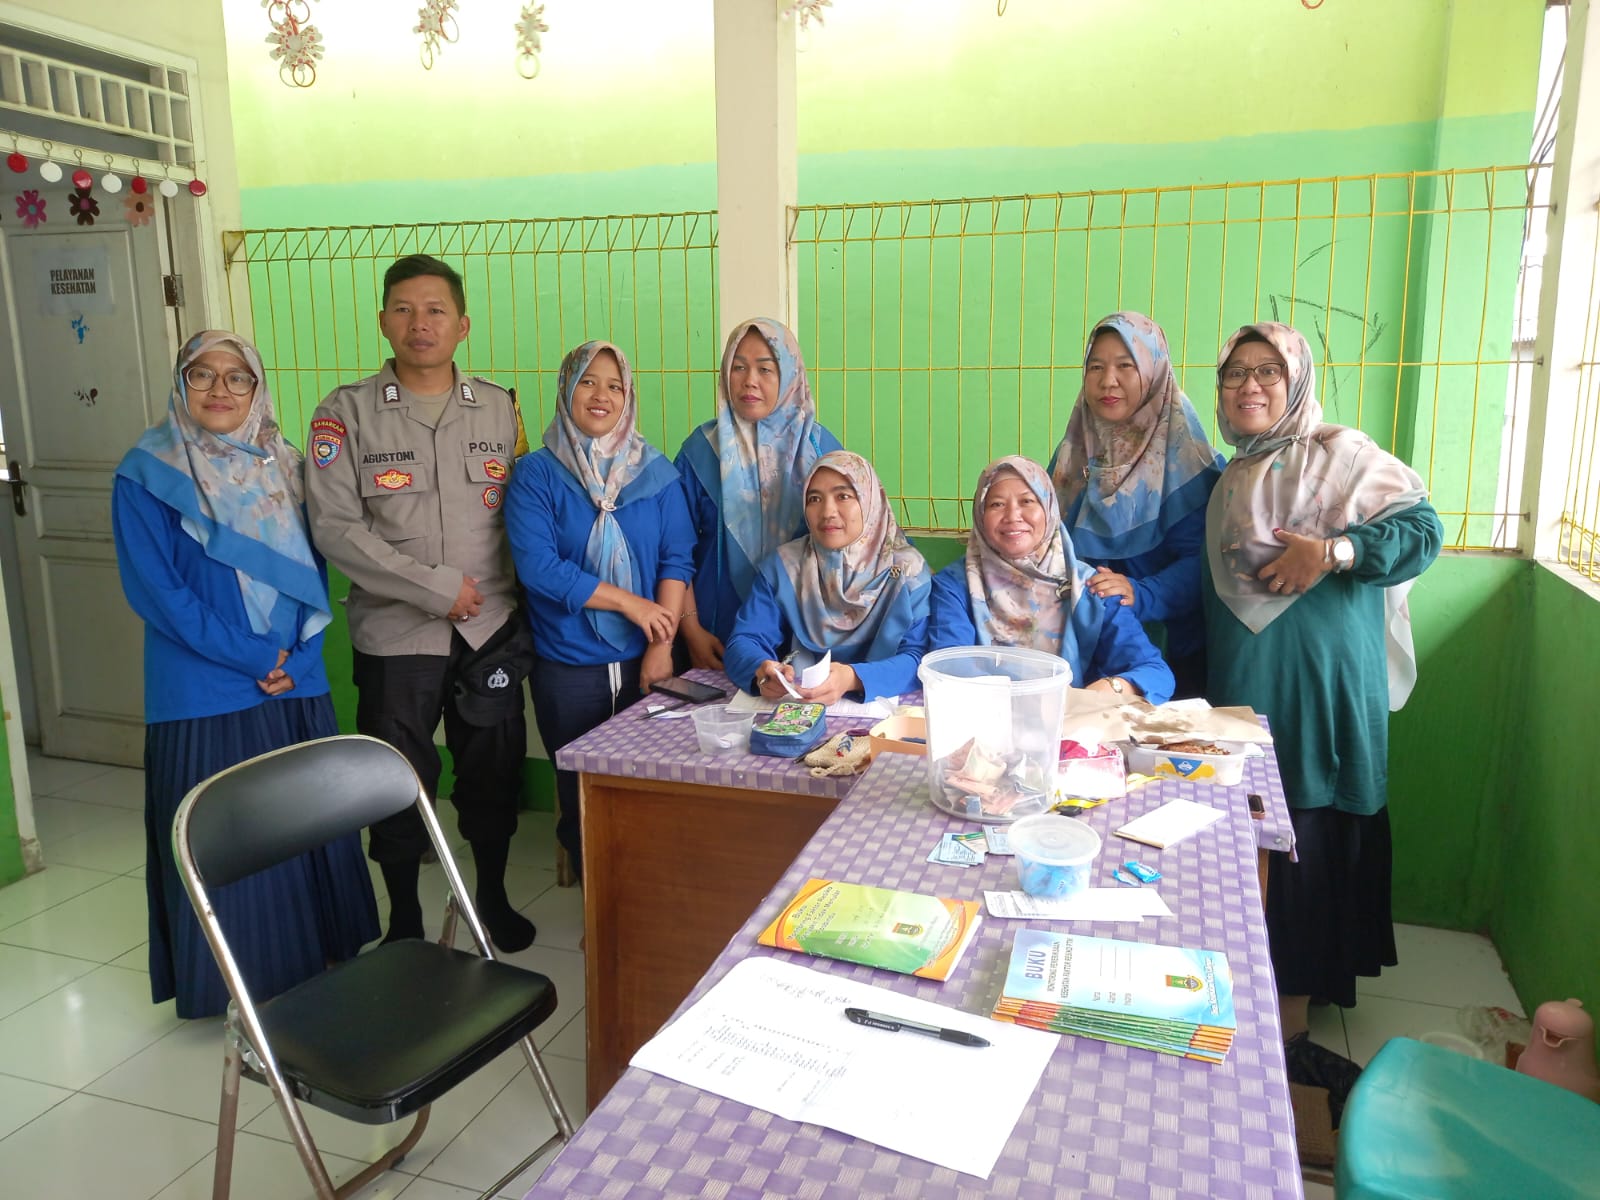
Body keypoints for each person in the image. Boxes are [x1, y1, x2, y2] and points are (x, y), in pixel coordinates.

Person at [1203, 321, 1442, 1120]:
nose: (1249, 386)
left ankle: (1292, 1026)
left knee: (1308, 827)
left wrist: (1333, 552)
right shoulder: (1232, 476)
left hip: (1323, 686)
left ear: (1298, 380)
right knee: (1258, 831)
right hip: (1248, 683)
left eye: (1269, 371)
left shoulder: (1342, 455)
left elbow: (1422, 531)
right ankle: (1257, 991)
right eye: (1235, 373)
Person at [113, 330, 379, 1019]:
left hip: (297, 679)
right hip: (203, 688)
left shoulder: (288, 467)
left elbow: (320, 575)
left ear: (257, 388)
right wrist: (256, 657)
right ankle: (239, 983)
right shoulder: (146, 473)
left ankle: (322, 954)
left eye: (237, 377)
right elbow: (158, 593)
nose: (220, 390)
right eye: (202, 374)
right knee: (224, 831)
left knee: (309, 817)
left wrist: (300, 658)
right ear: (180, 384)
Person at [304, 254, 536, 951]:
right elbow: (335, 528)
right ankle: (403, 917)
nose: (420, 323)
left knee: (492, 776)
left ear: (462, 325)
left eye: (436, 310)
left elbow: (524, 512)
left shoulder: (499, 408)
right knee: (395, 780)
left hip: (490, 630)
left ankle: (490, 897)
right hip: (396, 636)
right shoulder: (344, 414)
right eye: (404, 310)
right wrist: (436, 588)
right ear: (383, 322)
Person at [505, 341, 694, 882]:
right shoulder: (536, 475)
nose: (601, 395)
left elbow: (678, 557)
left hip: (647, 659)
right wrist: (629, 603)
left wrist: (661, 646)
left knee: (655, 783)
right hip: (568, 666)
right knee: (582, 791)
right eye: (588, 381)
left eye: (615, 386)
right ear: (566, 389)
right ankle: (599, 898)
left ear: (628, 397)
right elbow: (539, 568)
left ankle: (648, 892)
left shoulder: (656, 473)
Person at [1048, 311, 1226, 698]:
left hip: (1171, 657)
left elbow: (1206, 563)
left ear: (1154, 372)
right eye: (1096, 366)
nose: (1107, 381)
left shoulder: (1192, 465)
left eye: (1125, 366)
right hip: (1085, 649)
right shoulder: (1071, 460)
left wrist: (1141, 592)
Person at [929, 456, 1175, 703]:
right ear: (980, 515)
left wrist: (1109, 689)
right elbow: (949, 668)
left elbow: (1155, 674)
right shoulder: (955, 585)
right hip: (985, 715)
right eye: (996, 504)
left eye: (1027, 501)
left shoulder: (1089, 588)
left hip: (1074, 719)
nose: (1013, 515)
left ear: (1049, 509)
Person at [675, 318, 842, 668]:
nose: (750, 380)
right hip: (714, 638)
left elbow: (856, 534)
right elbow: (675, 550)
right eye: (738, 367)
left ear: (789, 374)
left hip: (806, 637)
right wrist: (691, 631)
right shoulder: (700, 452)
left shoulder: (819, 449)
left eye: (765, 369)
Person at [723, 450, 930, 703]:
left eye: (843, 496)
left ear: (870, 502)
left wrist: (853, 678)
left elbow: (919, 657)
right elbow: (746, 639)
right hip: (798, 704)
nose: (827, 511)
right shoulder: (786, 566)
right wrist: (760, 669)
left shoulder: (908, 572)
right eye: (814, 499)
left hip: (885, 709)